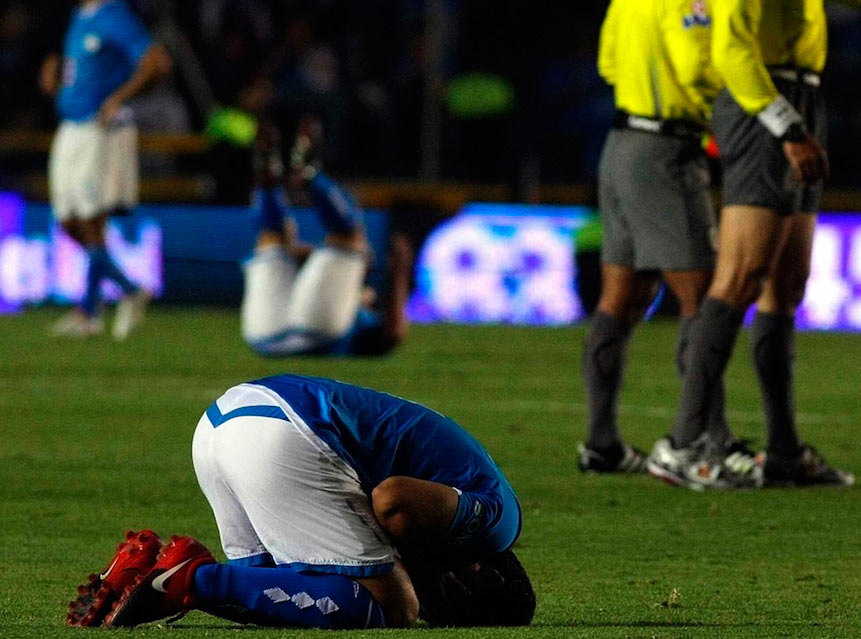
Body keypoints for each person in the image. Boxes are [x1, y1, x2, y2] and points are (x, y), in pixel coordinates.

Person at [66, 374, 535, 629]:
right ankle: (193, 578)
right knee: (395, 607)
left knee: (282, 596)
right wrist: (414, 576)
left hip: (222, 422)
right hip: (289, 435)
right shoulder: (498, 520)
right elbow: (394, 502)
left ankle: (153, 567)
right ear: (485, 572)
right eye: (457, 607)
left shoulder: (467, 492)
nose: (441, 609)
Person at [649, 0, 861, 490]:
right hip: (765, 103)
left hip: (802, 95)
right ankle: (683, 442)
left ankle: (785, 451)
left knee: (786, 284)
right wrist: (787, 126)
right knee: (741, 275)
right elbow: (731, 47)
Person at [580, 0, 745, 479]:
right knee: (705, 298)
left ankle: (601, 442)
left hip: (621, 144)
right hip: (666, 151)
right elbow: (696, 64)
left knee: (623, 297)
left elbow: (608, 64)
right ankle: (705, 442)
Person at [39, 0, 171, 339]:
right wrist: (57, 83)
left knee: (91, 218)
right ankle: (128, 289)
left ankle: (89, 312)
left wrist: (120, 97)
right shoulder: (79, 15)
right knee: (69, 221)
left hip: (96, 130)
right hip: (69, 125)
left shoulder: (114, 14)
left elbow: (156, 59)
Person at [241, 117, 408, 357]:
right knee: (339, 237)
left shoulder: (360, 315)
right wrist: (400, 272)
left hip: (266, 336)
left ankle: (272, 183)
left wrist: (397, 277)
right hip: (298, 333)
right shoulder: (355, 311)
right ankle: (303, 177)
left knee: (276, 237)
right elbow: (393, 334)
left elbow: (391, 332)